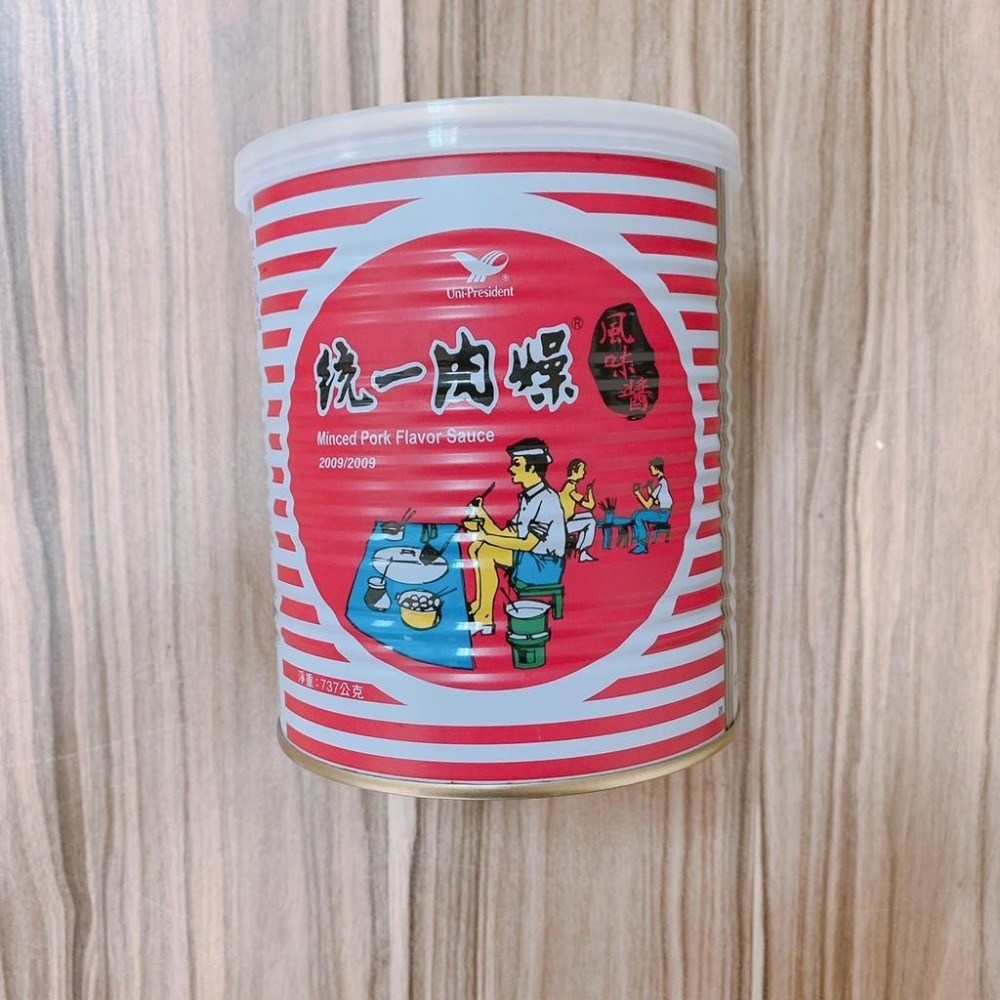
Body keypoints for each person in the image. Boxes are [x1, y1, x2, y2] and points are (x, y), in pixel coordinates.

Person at [466, 438, 567, 635]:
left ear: (532, 468)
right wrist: (481, 514)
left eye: (516, 464)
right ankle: (479, 605)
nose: (511, 469)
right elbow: (507, 534)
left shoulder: (547, 499)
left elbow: (528, 544)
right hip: (530, 558)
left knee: (486, 552)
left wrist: (484, 536)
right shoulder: (528, 497)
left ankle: (485, 618)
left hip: (544, 564)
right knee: (475, 547)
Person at [629, 457, 672, 555]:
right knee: (636, 514)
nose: (650, 470)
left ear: (657, 469)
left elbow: (648, 505)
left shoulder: (661, 484)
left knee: (638, 516)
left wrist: (638, 493)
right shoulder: (662, 482)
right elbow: (657, 501)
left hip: (663, 514)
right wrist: (650, 492)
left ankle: (642, 545)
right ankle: (638, 540)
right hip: (663, 512)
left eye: (651, 468)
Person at [558, 458, 598, 562]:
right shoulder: (570, 488)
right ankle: (583, 552)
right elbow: (590, 505)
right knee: (591, 522)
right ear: (574, 470)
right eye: (582, 469)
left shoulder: (570, 485)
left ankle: (579, 547)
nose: (584, 472)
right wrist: (590, 492)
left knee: (589, 515)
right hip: (563, 526)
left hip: (568, 519)